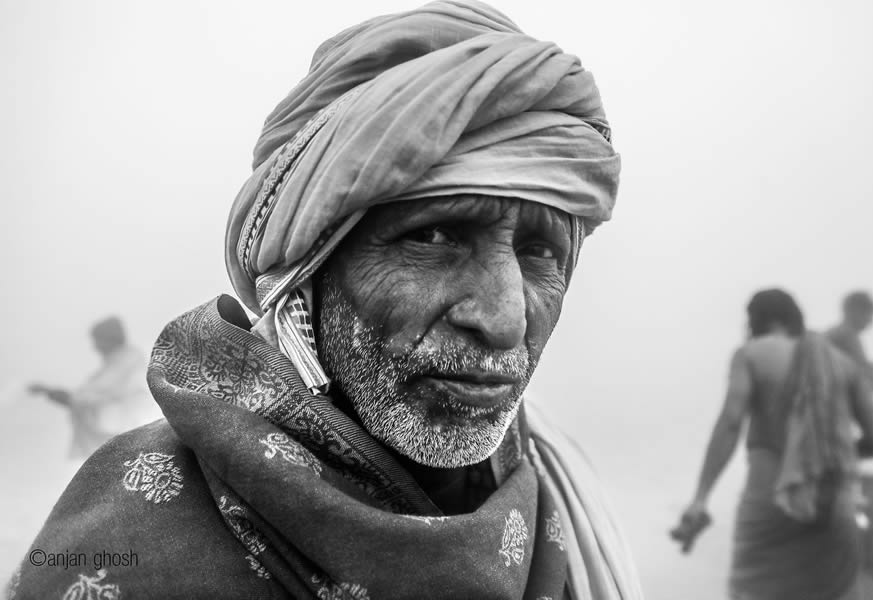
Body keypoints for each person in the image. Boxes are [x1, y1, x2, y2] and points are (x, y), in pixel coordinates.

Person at [9, 2, 643, 598]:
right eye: (435, 237)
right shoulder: (122, 550)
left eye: (539, 252)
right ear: (304, 276)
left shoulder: (546, 492)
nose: (506, 321)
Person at [672, 289, 873, 600]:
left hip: (770, 508)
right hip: (834, 509)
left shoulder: (751, 353)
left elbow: (731, 423)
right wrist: (825, 457)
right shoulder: (841, 363)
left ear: (761, 319)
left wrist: (701, 498)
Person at [825, 291, 873, 582]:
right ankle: (868, 562)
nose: (871, 322)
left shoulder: (830, 336)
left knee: (849, 497)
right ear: (854, 311)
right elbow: (864, 378)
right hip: (852, 426)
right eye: (869, 315)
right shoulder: (845, 335)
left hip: (837, 425)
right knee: (870, 494)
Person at [27, 316, 160, 459]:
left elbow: (116, 415)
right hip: (111, 452)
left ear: (109, 339)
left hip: (121, 454)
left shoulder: (128, 368)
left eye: (97, 341)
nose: (95, 347)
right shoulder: (116, 367)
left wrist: (71, 401)